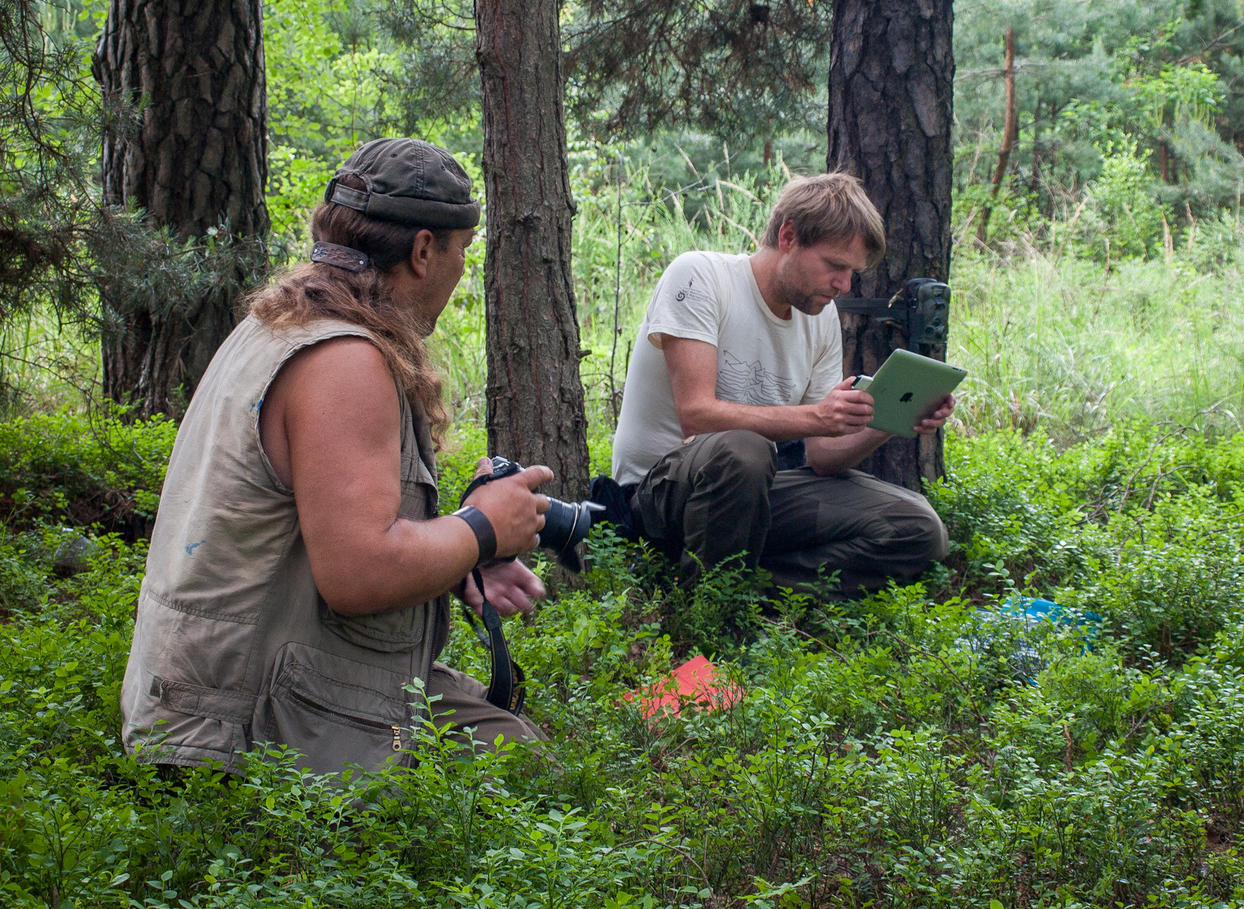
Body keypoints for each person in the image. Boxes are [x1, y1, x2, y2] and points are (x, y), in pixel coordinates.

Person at [121, 138, 552, 776]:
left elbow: (309, 540)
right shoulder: (345, 360)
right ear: (424, 249)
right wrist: (482, 530)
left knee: (513, 736)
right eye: (462, 251)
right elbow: (357, 575)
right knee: (531, 773)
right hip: (231, 729)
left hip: (208, 695)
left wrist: (454, 562)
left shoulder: (277, 325)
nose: (462, 271)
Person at [609, 172, 955, 598]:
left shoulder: (822, 319)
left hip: (754, 496)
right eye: (835, 265)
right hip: (661, 495)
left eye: (852, 272)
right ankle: (707, 625)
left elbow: (824, 457)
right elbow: (696, 414)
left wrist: (891, 417)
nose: (845, 285)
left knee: (919, 527)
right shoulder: (700, 277)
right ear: (789, 236)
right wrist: (814, 416)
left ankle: (739, 593)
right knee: (743, 448)